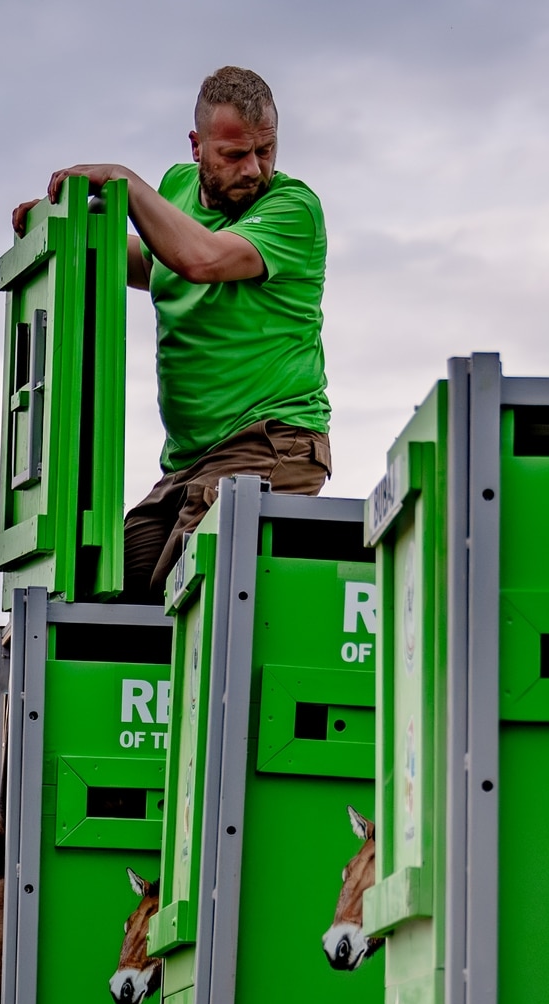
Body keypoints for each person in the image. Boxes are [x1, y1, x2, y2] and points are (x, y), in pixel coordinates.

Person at [16, 65, 331, 603]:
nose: (254, 169)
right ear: (197, 146)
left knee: (182, 600)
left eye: (266, 150)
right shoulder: (178, 189)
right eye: (234, 154)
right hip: (187, 462)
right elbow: (155, 262)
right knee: (107, 587)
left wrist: (123, 180)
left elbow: (200, 260)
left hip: (267, 444)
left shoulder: (292, 209)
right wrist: (66, 235)